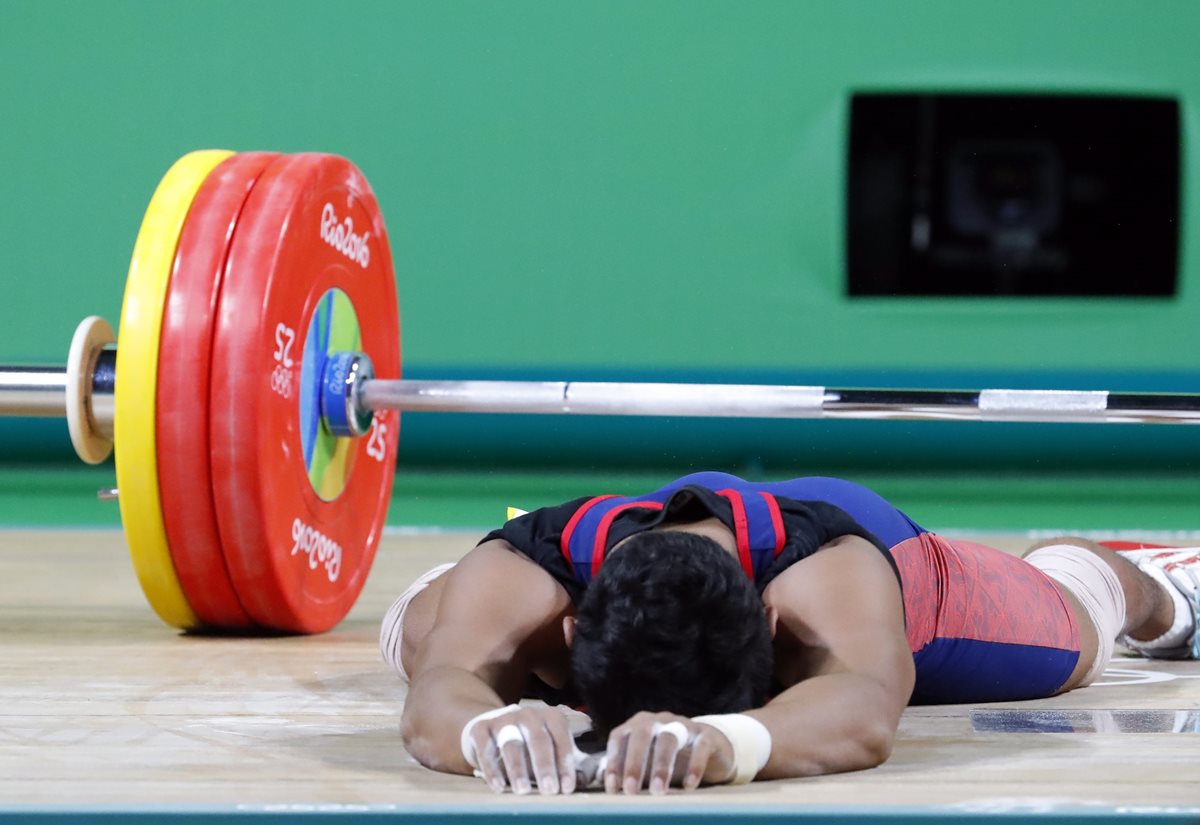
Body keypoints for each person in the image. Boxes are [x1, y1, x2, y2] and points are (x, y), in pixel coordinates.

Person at [381, 472, 1199, 795]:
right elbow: (439, 692)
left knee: (1079, 620)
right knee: (429, 628)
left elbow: (867, 709)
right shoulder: (528, 573)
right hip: (598, 568)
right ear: (571, 623)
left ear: (774, 629)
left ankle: (1157, 583)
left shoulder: (829, 580)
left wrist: (717, 742)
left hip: (884, 562)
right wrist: (486, 724)